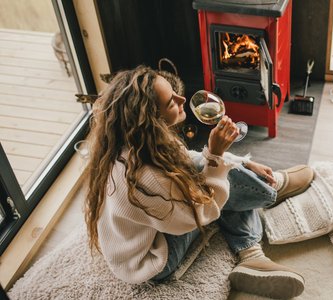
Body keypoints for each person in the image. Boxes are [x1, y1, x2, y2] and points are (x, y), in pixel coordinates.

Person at [83, 65, 314, 299]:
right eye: (171, 102)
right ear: (152, 120)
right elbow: (202, 211)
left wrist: (243, 162)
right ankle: (269, 196)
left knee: (211, 170)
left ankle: (253, 244)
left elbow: (188, 159)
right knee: (222, 183)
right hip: (152, 260)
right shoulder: (145, 177)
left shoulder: (135, 144)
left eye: (173, 92)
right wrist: (216, 157)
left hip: (142, 235)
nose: (181, 97)